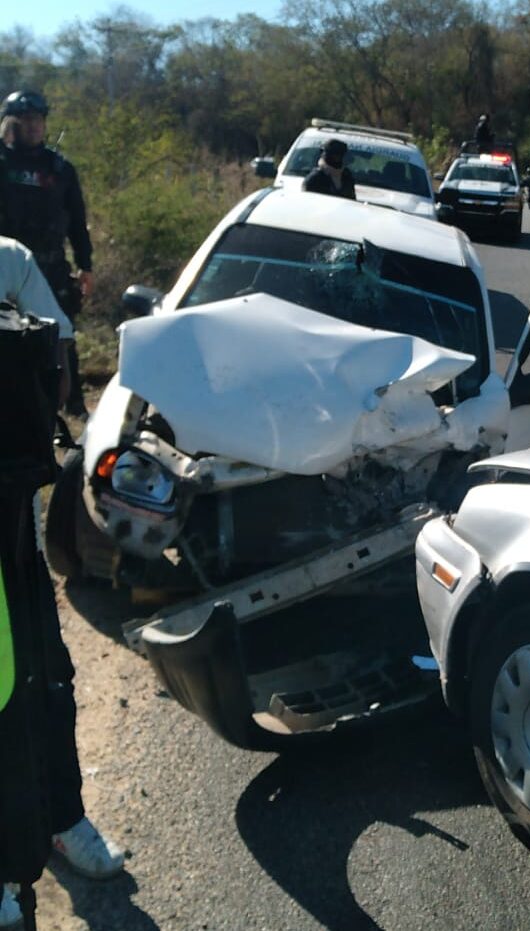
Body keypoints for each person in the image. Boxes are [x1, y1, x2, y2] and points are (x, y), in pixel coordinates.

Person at [0, 237, 124, 931]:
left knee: (46, 673)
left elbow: (58, 344)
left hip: (11, 517)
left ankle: (59, 816)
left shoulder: (11, 261)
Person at [0, 90, 93, 418]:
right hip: (7, 269)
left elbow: (78, 222)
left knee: (61, 334)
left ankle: (74, 404)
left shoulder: (59, 169)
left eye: (38, 120)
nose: (34, 126)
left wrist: (86, 266)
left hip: (51, 267)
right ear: (11, 122)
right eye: (26, 120)